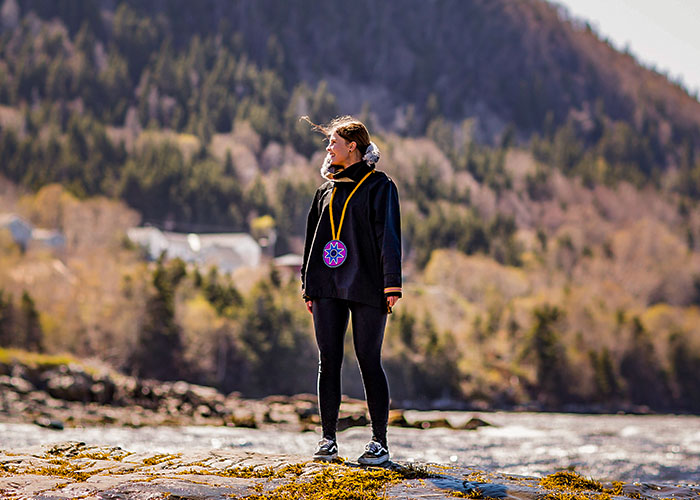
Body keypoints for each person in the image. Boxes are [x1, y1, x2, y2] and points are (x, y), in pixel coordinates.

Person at [301, 116, 402, 465]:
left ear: (352, 146)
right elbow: (311, 241)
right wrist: (307, 286)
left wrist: (392, 284)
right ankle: (328, 440)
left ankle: (379, 443)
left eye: (333, 142)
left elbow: (388, 237)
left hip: (368, 283)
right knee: (327, 361)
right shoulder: (324, 191)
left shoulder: (379, 186)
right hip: (326, 285)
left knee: (368, 360)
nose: (328, 148)